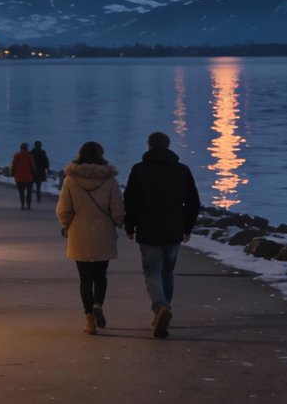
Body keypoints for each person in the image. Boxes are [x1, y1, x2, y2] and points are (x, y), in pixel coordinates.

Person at [123, 132, 202, 339]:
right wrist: (187, 227)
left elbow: (130, 201)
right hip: (174, 228)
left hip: (148, 228)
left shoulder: (139, 170)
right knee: (167, 272)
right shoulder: (181, 170)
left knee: (152, 272)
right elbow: (193, 201)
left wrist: (129, 226)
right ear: (168, 145)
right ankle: (165, 308)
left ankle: (160, 307)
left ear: (148, 145)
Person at [56, 142, 124, 335]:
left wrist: (66, 225)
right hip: (103, 231)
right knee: (101, 275)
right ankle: (98, 304)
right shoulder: (109, 180)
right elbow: (118, 209)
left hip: (79, 231)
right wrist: (119, 223)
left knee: (85, 278)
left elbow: (63, 209)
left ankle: (89, 319)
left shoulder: (71, 180)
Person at [11, 143, 36, 210]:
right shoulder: (29, 156)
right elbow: (33, 166)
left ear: (21, 148)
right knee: (29, 192)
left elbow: (13, 165)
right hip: (28, 177)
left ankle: (22, 205)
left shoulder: (17, 155)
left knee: (21, 192)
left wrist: (12, 173)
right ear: (27, 148)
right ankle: (28, 205)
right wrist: (34, 173)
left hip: (19, 176)